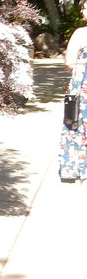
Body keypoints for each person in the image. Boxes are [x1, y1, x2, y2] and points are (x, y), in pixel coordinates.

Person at [59, 19, 87, 181]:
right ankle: (78, 167)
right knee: (78, 121)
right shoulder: (80, 33)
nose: (83, 11)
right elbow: (69, 63)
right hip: (83, 86)